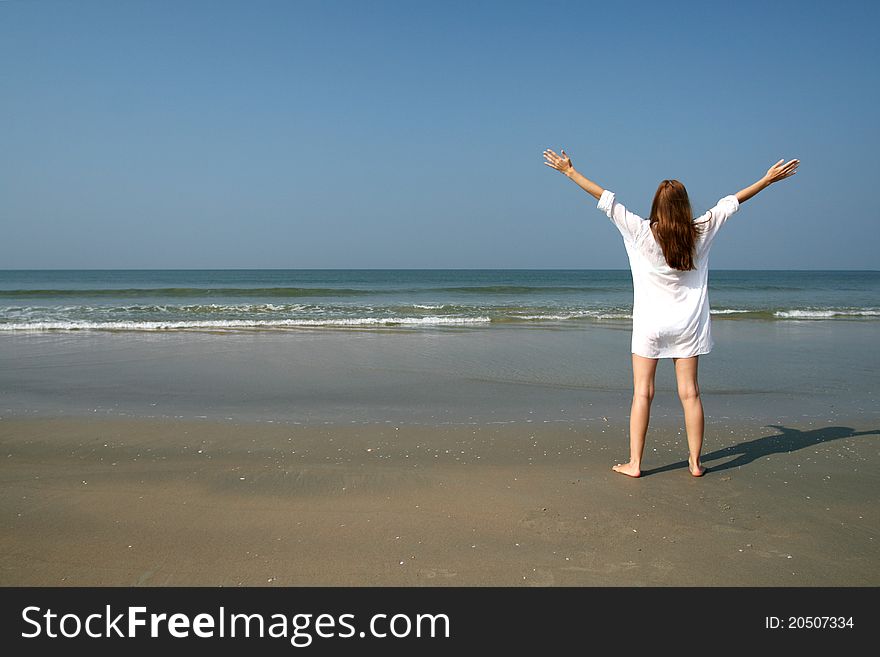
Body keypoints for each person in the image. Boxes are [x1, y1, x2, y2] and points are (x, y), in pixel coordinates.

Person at [542, 148, 799, 478]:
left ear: (656, 206)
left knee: (642, 393)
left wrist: (569, 172)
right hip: (688, 325)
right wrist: (766, 180)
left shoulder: (639, 230)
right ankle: (694, 462)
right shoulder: (701, 229)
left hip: (650, 325)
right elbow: (732, 202)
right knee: (690, 393)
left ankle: (635, 463)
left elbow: (606, 198)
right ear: (685, 206)